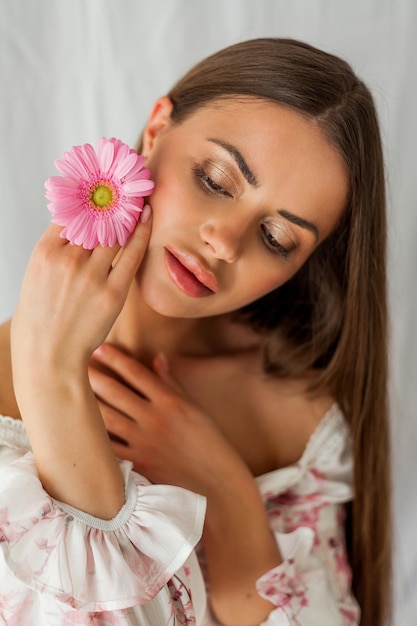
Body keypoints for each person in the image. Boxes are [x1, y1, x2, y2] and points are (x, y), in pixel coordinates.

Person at [0, 37, 391, 626]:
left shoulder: (297, 423)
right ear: (156, 128)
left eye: (277, 238)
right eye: (215, 178)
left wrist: (229, 493)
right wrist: (48, 377)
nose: (225, 242)